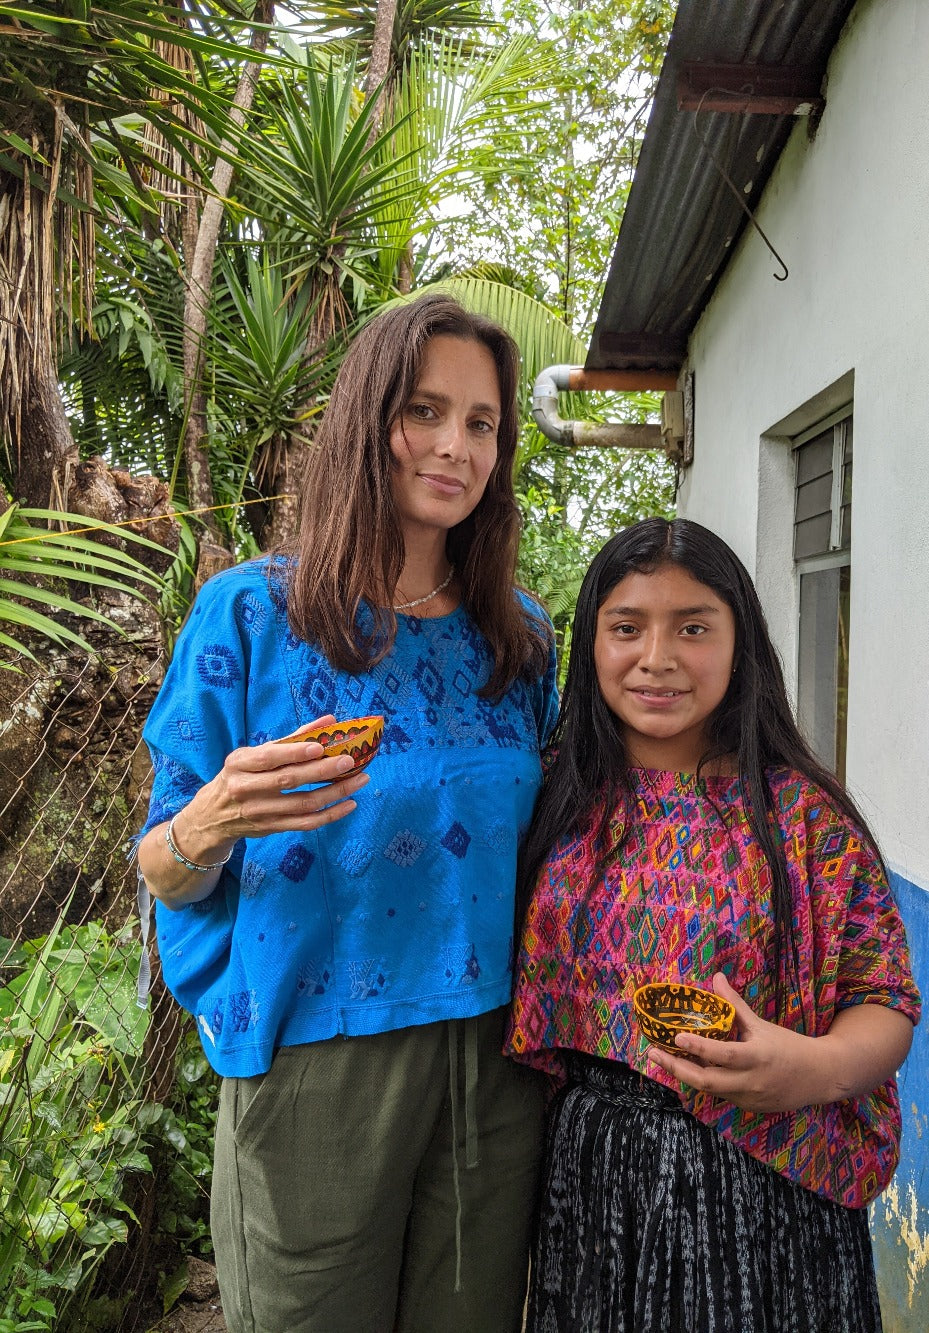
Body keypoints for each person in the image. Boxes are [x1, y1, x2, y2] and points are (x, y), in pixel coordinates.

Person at [136, 294, 559, 1333]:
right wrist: (218, 814)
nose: (455, 446)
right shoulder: (252, 615)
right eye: (425, 411)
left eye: (481, 423)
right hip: (322, 1058)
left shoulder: (520, 641)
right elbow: (160, 862)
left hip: (493, 1062)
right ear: (368, 420)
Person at [506, 516, 921, 1333]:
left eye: (693, 627)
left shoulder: (804, 818)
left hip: (767, 1182)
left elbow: (886, 998)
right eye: (627, 627)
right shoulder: (552, 796)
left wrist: (814, 1067)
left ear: (741, 644)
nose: (657, 657)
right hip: (591, 1181)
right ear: (592, 643)